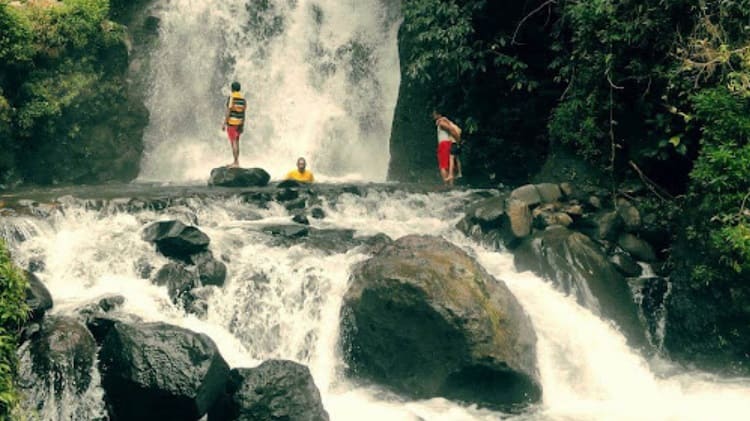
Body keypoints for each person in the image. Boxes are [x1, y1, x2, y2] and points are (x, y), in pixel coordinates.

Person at [221, 81, 247, 168]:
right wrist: (242, 124)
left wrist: (224, 123)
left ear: (232, 89)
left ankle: (236, 162)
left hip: (232, 123)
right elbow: (243, 112)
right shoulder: (243, 98)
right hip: (239, 122)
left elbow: (228, 111)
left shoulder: (231, 97)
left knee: (234, 142)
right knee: (237, 141)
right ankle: (236, 161)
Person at [432, 111, 461, 185]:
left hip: (444, 144)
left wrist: (458, 140)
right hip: (447, 143)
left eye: (434, 114)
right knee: (449, 165)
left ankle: (446, 184)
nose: (432, 115)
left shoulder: (442, 123)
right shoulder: (443, 122)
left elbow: (451, 130)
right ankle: (451, 185)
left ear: (439, 114)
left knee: (443, 166)